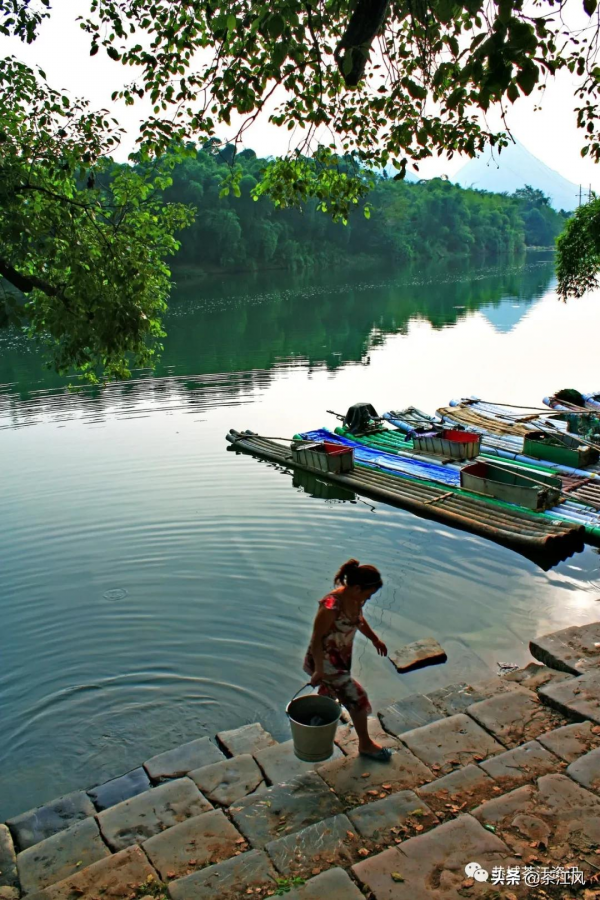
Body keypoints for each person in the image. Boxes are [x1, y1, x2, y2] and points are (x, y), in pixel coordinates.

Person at [303, 558, 392, 762]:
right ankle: (366, 745)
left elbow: (358, 621)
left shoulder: (355, 599)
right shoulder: (331, 605)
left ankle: (315, 723)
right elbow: (316, 639)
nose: (368, 599)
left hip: (341, 658)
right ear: (357, 587)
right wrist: (318, 670)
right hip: (325, 662)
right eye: (368, 594)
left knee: (329, 695)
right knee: (358, 699)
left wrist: (375, 639)